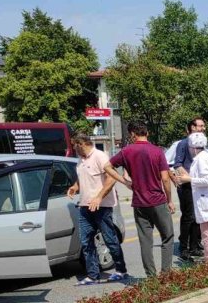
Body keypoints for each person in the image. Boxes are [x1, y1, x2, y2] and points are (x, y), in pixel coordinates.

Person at [107, 122, 175, 277]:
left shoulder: (126, 151)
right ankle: (165, 273)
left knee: (145, 241)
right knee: (167, 236)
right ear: (147, 133)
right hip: (158, 200)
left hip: (139, 202)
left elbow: (107, 166)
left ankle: (151, 276)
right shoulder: (157, 151)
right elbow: (165, 179)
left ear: (132, 134)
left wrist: (124, 181)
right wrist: (169, 199)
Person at [66, 133, 129, 285]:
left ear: (81, 144)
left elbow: (112, 177)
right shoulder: (80, 160)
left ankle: (121, 271)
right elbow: (83, 177)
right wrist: (75, 186)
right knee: (86, 241)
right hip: (85, 206)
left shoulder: (100, 156)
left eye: (75, 145)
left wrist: (99, 197)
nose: (74, 149)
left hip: (102, 206)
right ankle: (93, 275)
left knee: (109, 239)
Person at [173, 133, 208, 262]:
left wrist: (188, 179)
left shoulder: (201, 159)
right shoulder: (207, 156)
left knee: (206, 233)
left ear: (193, 147)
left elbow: (207, 180)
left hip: (206, 201)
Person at [172, 118, 208, 261]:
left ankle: (195, 245)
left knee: (198, 217)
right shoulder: (184, 143)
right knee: (188, 217)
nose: (202, 128)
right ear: (192, 128)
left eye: (203, 125)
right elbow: (177, 164)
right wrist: (189, 178)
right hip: (187, 186)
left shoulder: (203, 144)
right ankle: (184, 247)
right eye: (199, 126)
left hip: (198, 185)